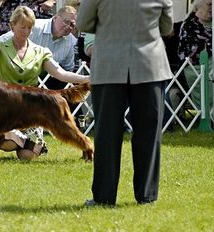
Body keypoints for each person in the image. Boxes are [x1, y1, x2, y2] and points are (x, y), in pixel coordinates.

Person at [77, 0, 173, 206]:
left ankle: (104, 197)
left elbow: (83, 23)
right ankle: (147, 195)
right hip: (149, 65)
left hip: (109, 64)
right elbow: (167, 27)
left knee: (106, 134)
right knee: (149, 134)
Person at [0, 6, 89, 161]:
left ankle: (87, 146)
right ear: (12, 26)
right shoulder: (1, 45)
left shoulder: (40, 51)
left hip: (31, 107)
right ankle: (0, 139)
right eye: (22, 27)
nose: (26, 31)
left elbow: (60, 73)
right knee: (7, 142)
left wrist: (86, 80)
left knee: (27, 155)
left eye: (29, 28)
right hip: (4, 106)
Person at [178, 0, 214, 127]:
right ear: (198, 5)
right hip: (197, 68)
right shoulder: (189, 25)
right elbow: (195, 51)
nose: (213, 8)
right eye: (209, 5)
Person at [0, 5, 77, 89]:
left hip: (47, 81)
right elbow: (0, 42)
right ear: (55, 17)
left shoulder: (70, 40)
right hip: (16, 78)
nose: (68, 26)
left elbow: (68, 68)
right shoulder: (34, 27)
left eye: (72, 25)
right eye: (66, 21)